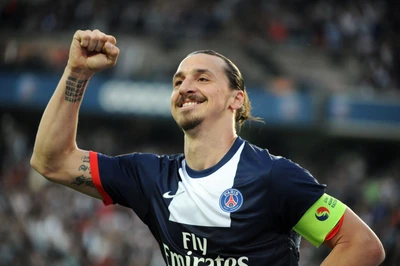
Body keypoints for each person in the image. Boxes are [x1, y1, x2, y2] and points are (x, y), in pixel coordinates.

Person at [31, 29, 385, 266]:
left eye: (202, 78)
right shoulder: (149, 177)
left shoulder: (274, 177)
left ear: (236, 99)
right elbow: (52, 161)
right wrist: (76, 72)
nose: (185, 86)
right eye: (178, 80)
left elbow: (361, 245)